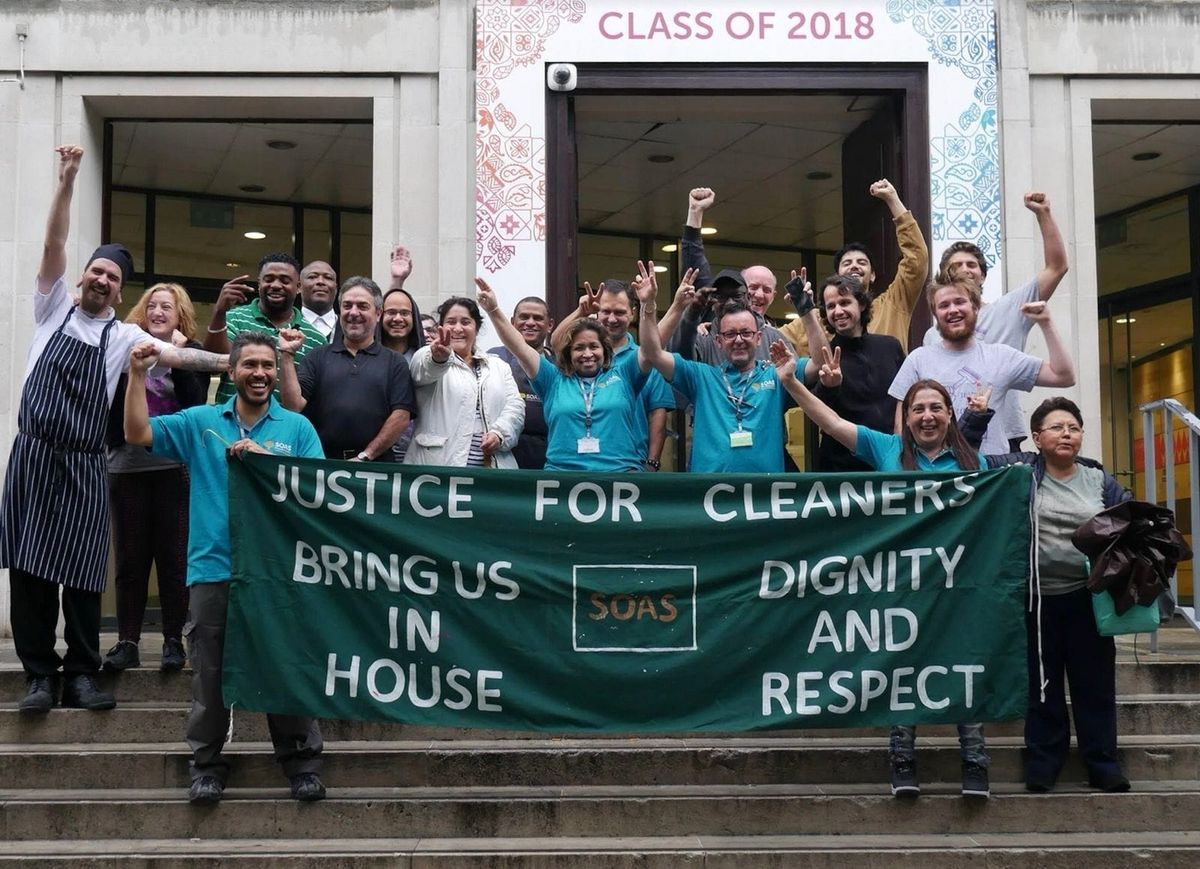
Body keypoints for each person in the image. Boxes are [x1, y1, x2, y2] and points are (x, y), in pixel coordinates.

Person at [0, 145, 227, 715]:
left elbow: (186, 363)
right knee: (29, 571)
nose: (102, 280)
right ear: (81, 278)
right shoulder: (52, 308)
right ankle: (37, 675)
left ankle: (80, 673)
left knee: (80, 570)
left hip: (83, 459)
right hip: (32, 454)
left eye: (112, 277)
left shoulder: (125, 339)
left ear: (120, 292)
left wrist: (247, 364)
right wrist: (67, 180)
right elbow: (53, 242)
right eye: (95, 271)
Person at [773, 355, 991, 798]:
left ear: (951, 415)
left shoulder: (977, 466)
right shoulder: (887, 450)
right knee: (905, 667)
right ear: (906, 418)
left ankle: (975, 761)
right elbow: (832, 423)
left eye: (935, 408)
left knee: (962, 665)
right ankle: (903, 758)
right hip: (901, 585)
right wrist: (792, 384)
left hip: (957, 588)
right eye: (917, 409)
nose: (926, 416)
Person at [124, 332, 326, 805]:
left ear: (277, 374)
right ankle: (208, 767)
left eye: (267, 366)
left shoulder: (298, 429)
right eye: (250, 365)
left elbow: (318, 495)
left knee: (285, 667)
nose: (259, 373)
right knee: (209, 673)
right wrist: (136, 376)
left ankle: (302, 765)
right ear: (230, 372)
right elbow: (138, 434)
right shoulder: (200, 422)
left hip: (279, 570)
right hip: (213, 567)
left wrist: (267, 462)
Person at [985, 398, 1133, 794]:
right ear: (1036, 438)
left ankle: (1102, 763)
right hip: (1036, 601)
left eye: (1074, 427)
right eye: (1057, 427)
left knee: (1094, 684)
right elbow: (968, 463)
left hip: (1089, 599)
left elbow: (1131, 523)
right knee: (1044, 685)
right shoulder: (1018, 472)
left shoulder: (1099, 480)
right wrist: (976, 416)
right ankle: (1044, 761)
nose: (1067, 433)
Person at [102, 283, 211, 673]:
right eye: (153, 305)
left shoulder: (188, 353)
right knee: (131, 558)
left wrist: (180, 358)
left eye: (167, 306)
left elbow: (197, 406)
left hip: (172, 469)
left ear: (180, 314)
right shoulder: (124, 346)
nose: (159, 311)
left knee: (174, 557)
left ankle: (171, 641)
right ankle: (127, 641)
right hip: (127, 466)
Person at [637, 264, 824, 473]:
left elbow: (819, 363)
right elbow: (652, 352)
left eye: (746, 333)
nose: (738, 340)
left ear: (759, 337)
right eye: (730, 334)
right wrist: (653, 305)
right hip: (709, 496)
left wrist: (806, 311)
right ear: (718, 341)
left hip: (765, 496)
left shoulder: (778, 374)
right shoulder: (701, 376)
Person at [924, 192, 1070, 450]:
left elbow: (1057, 267)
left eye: (972, 264)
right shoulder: (932, 335)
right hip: (947, 439)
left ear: (982, 275)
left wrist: (1043, 214)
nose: (966, 269)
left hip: (1002, 433)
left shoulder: (1010, 308)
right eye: (957, 265)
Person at [477, 278, 648, 472]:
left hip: (620, 476)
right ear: (568, 353)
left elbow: (652, 348)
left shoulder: (622, 374)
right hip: (562, 479)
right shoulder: (553, 379)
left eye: (594, 346)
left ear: (605, 350)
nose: (587, 354)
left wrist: (648, 306)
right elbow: (519, 346)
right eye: (579, 348)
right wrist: (493, 310)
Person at [889, 280, 1075, 454]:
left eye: (960, 302)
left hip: (991, 475)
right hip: (937, 473)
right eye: (944, 305)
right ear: (935, 314)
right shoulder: (918, 359)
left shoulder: (1000, 356)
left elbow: (1063, 376)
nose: (953, 310)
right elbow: (900, 426)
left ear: (976, 307)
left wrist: (1046, 323)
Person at [278, 277, 416, 462]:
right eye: (347, 305)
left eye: (362, 306)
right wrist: (286, 355)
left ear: (378, 314)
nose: (354, 312)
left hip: (376, 470)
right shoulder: (316, 357)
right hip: (320, 466)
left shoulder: (395, 362)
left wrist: (365, 456)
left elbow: (401, 416)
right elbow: (293, 407)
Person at [550, 280, 676, 471]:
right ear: (597, 312)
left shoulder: (644, 357)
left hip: (630, 465)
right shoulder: (584, 358)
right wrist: (581, 312)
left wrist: (652, 462)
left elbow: (657, 414)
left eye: (619, 312)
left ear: (632, 313)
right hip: (580, 464)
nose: (611, 319)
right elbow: (556, 342)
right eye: (606, 311)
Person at [665, 187, 788, 365]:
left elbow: (804, 372)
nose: (759, 294)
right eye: (754, 287)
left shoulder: (774, 337)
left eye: (766, 289)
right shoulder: (705, 335)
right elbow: (695, 263)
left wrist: (806, 312)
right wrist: (695, 213)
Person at [403, 296, 524, 468]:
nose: (458, 328)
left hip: (492, 471)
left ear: (477, 328)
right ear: (440, 328)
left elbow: (515, 407)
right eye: (451, 322)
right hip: (437, 471)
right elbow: (423, 370)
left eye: (466, 322)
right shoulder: (426, 355)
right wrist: (439, 358)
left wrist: (499, 434)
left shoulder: (499, 366)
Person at [809, 274, 906, 472]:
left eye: (845, 302)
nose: (838, 311)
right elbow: (816, 413)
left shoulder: (890, 346)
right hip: (840, 468)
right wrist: (829, 386)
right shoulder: (824, 355)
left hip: (889, 460)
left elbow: (907, 398)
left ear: (861, 305)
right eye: (831, 306)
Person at [204, 252, 325, 404]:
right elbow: (214, 365)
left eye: (285, 281)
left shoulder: (315, 338)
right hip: (231, 424)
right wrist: (219, 312)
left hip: (284, 426)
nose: (275, 285)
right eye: (268, 279)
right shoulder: (234, 318)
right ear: (259, 283)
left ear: (298, 287)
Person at [489, 296, 556, 469]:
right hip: (503, 454)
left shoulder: (560, 364)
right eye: (524, 317)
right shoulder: (493, 359)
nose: (530, 323)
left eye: (538, 318)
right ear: (512, 322)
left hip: (548, 457)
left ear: (550, 325)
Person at [298, 260, 338, 340]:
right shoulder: (287, 326)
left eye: (328, 278)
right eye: (312, 277)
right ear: (299, 287)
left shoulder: (349, 328)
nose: (320, 282)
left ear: (336, 288)